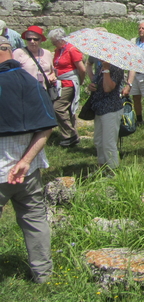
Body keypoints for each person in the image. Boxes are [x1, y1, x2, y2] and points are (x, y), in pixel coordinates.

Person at [0, 36, 56, 283]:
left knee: (34, 218)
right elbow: (46, 126)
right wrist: (26, 160)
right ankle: (43, 274)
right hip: (28, 170)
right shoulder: (31, 82)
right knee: (34, 220)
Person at [48, 28, 85, 147]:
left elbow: (82, 69)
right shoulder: (58, 50)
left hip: (69, 83)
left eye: (54, 41)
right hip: (60, 82)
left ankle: (70, 134)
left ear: (61, 40)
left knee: (58, 107)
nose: (53, 43)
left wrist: (81, 81)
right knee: (68, 110)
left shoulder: (72, 49)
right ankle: (73, 136)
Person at [88, 60, 124, 170]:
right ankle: (102, 167)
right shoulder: (101, 67)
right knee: (98, 140)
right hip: (99, 107)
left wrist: (107, 69)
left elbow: (108, 88)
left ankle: (113, 170)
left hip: (111, 108)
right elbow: (97, 83)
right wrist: (92, 86)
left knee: (109, 142)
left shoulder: (117, 68)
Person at [123, 21, 144, 125]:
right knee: (135, 96)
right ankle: (139, 120)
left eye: (143, 28)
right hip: (134, 72)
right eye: (139, 28)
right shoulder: (134, 41)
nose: (140, 30)